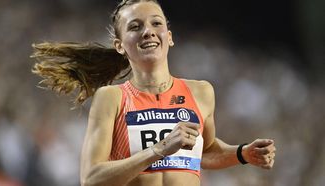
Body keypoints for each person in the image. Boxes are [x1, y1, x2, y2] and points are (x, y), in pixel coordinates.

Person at [31, 0, 276, 185]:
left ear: (169, 37)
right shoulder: (112, 98)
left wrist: (243, 153)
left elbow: (206, 151)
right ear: (120, 46)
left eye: (156, 23)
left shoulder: (201, 92)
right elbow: (91, 178)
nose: (147, 31)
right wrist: (158, 150)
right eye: (135, 27)